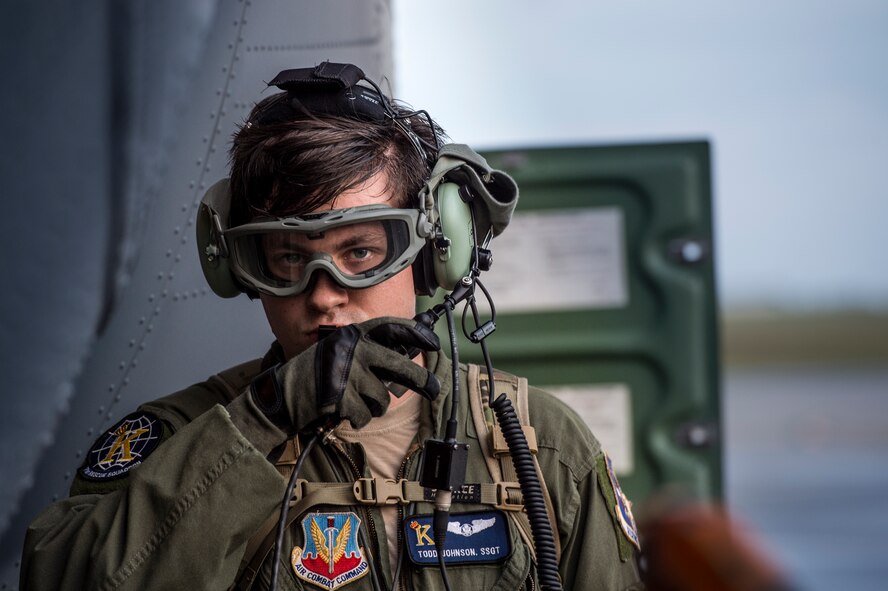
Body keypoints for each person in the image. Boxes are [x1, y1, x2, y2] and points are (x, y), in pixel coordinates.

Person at [21, 62, 643, 591]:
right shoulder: (177, 440)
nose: (325, 297)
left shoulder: (542, 447)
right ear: (243, 269)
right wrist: (261, 421)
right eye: (289, 259)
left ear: (435, 251)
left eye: (361, 253)